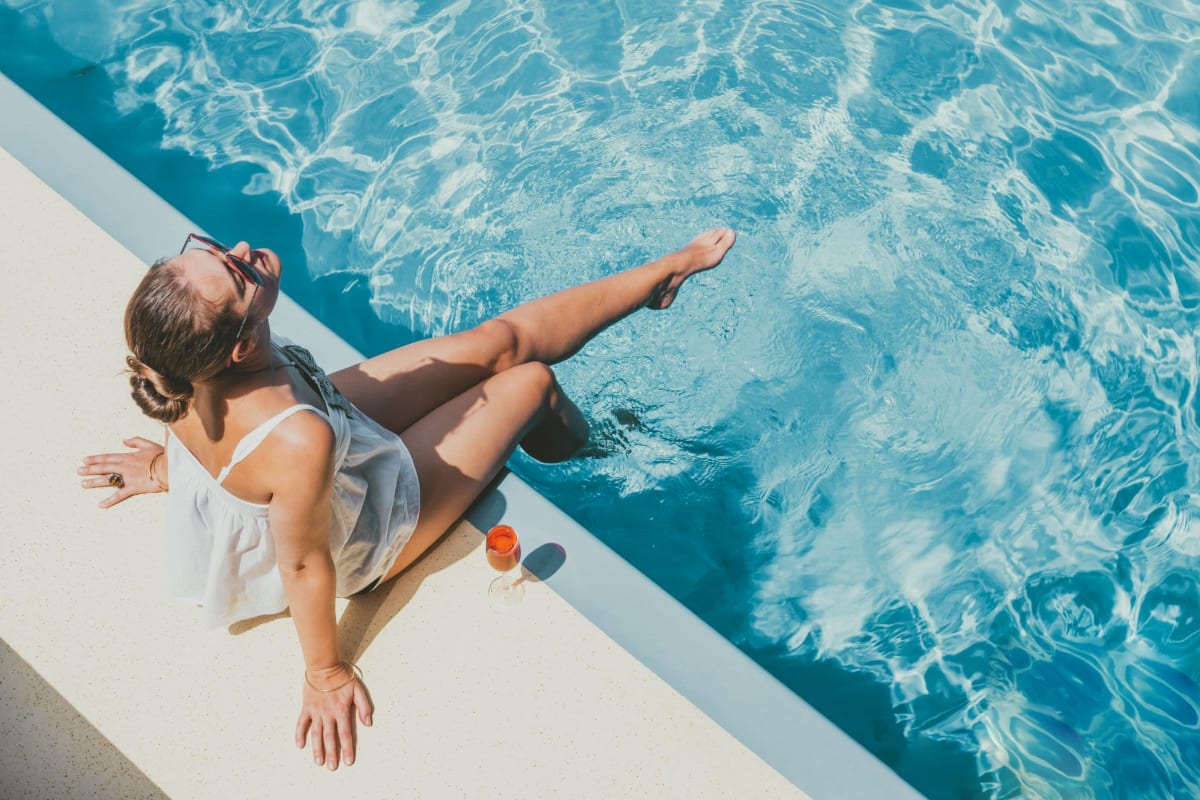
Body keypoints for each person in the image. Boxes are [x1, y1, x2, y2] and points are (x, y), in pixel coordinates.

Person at [78, 227, 736, 770]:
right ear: (244, 343)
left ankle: (662, 274)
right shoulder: (295, 439)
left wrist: (169, 469)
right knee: (532, 382)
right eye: (237, 271)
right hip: (369, 525)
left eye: (217, 249)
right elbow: (304, 565)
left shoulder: (170, 356)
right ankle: (596, 458)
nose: (245, 248)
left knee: (496, 345)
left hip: (331, 431)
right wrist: (325, 674)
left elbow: (212, 450)